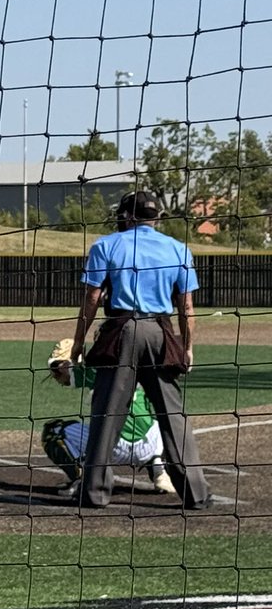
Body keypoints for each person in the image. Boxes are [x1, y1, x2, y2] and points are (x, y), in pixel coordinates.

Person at [69, 191, 211, 509]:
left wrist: (78, 344)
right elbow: (186, 307)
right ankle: (196, 493)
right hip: (161, 332)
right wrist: (187, 348)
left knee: (107, 413)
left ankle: (94, 492)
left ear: (126, 216)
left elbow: (92, 298)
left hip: (121, 331)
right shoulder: (178, 248)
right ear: (156, 218)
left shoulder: (106, 245)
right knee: (173, 415)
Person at [43, 339, 175, 497]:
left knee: (54, 430)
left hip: (111, 446)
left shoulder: (94, 370)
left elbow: (66, 374)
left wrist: (67, 361)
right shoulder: (141, 363)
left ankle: (86, 479)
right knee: (167, 420)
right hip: (149, 445)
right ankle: (158, 466)